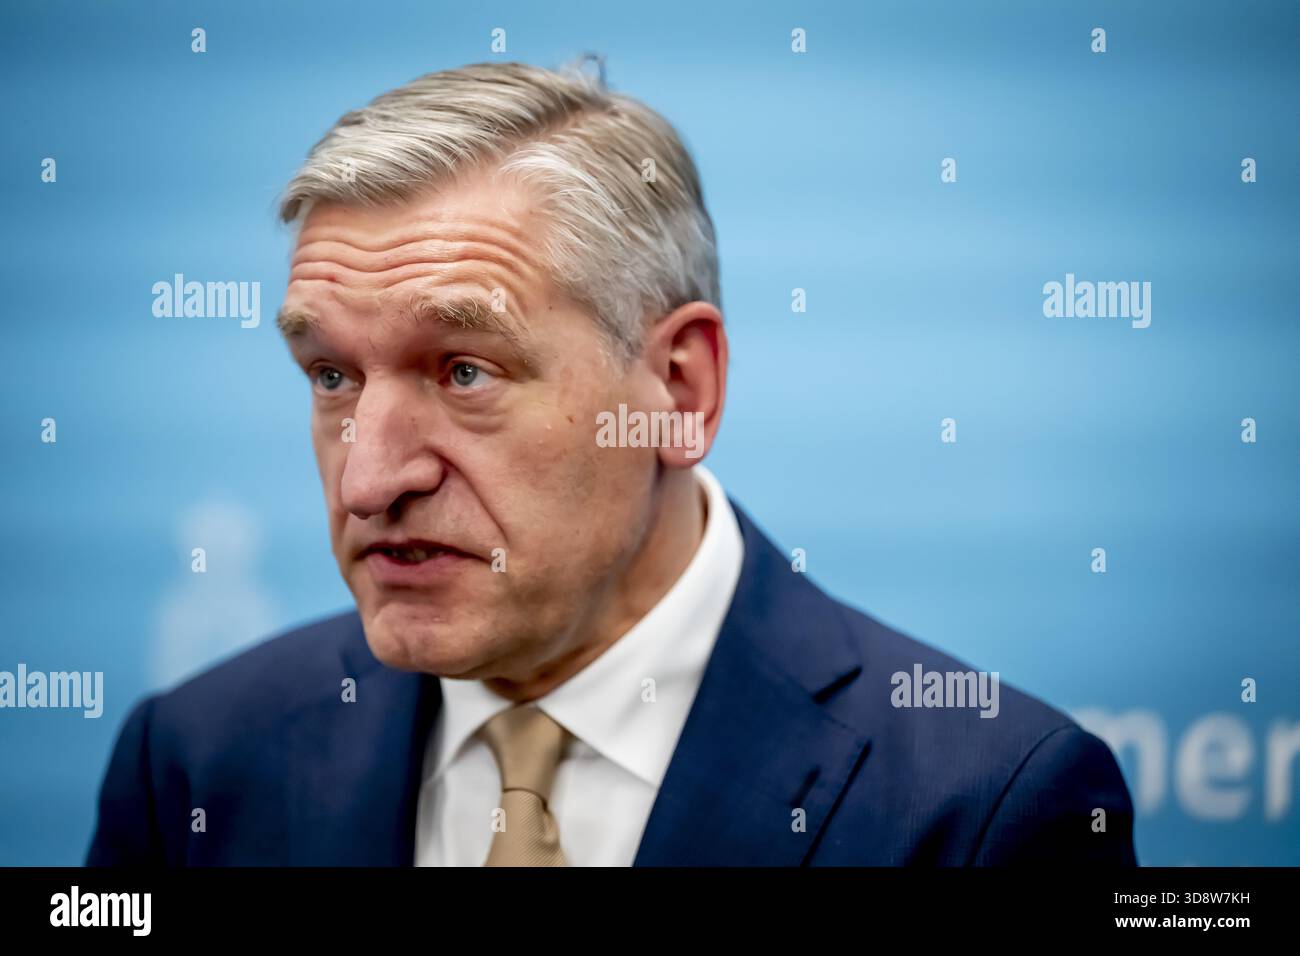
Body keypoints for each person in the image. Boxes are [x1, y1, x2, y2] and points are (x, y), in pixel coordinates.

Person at [87, 61, 1136, 866]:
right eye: (330, 376)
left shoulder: (981, 808)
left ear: (678, 390)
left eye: (463, 371)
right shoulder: (194, 762)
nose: (368, 480)